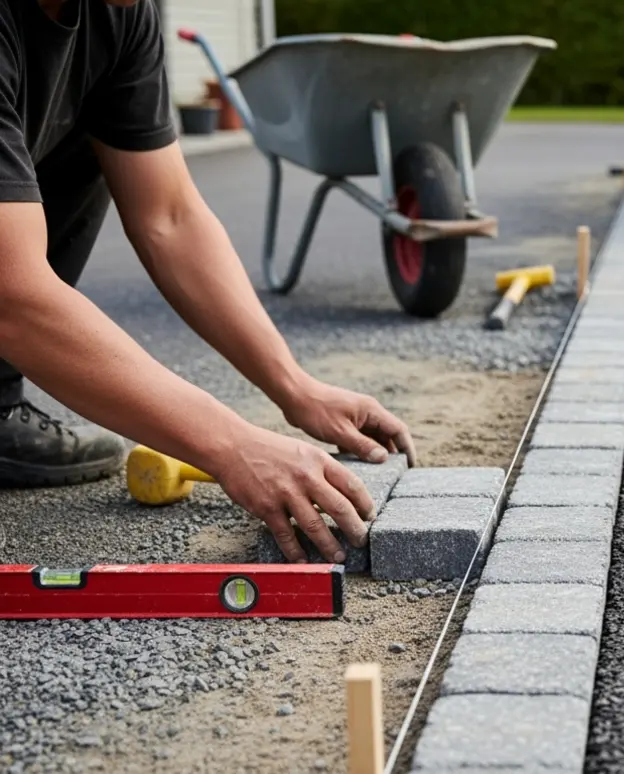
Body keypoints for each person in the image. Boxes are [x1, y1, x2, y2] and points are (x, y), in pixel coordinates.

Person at [0, 0, 417, 563]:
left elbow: (169, 216)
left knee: (101, 137)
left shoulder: (120, 15)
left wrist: (293, 385)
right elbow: (12, 293)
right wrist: (231, 444)